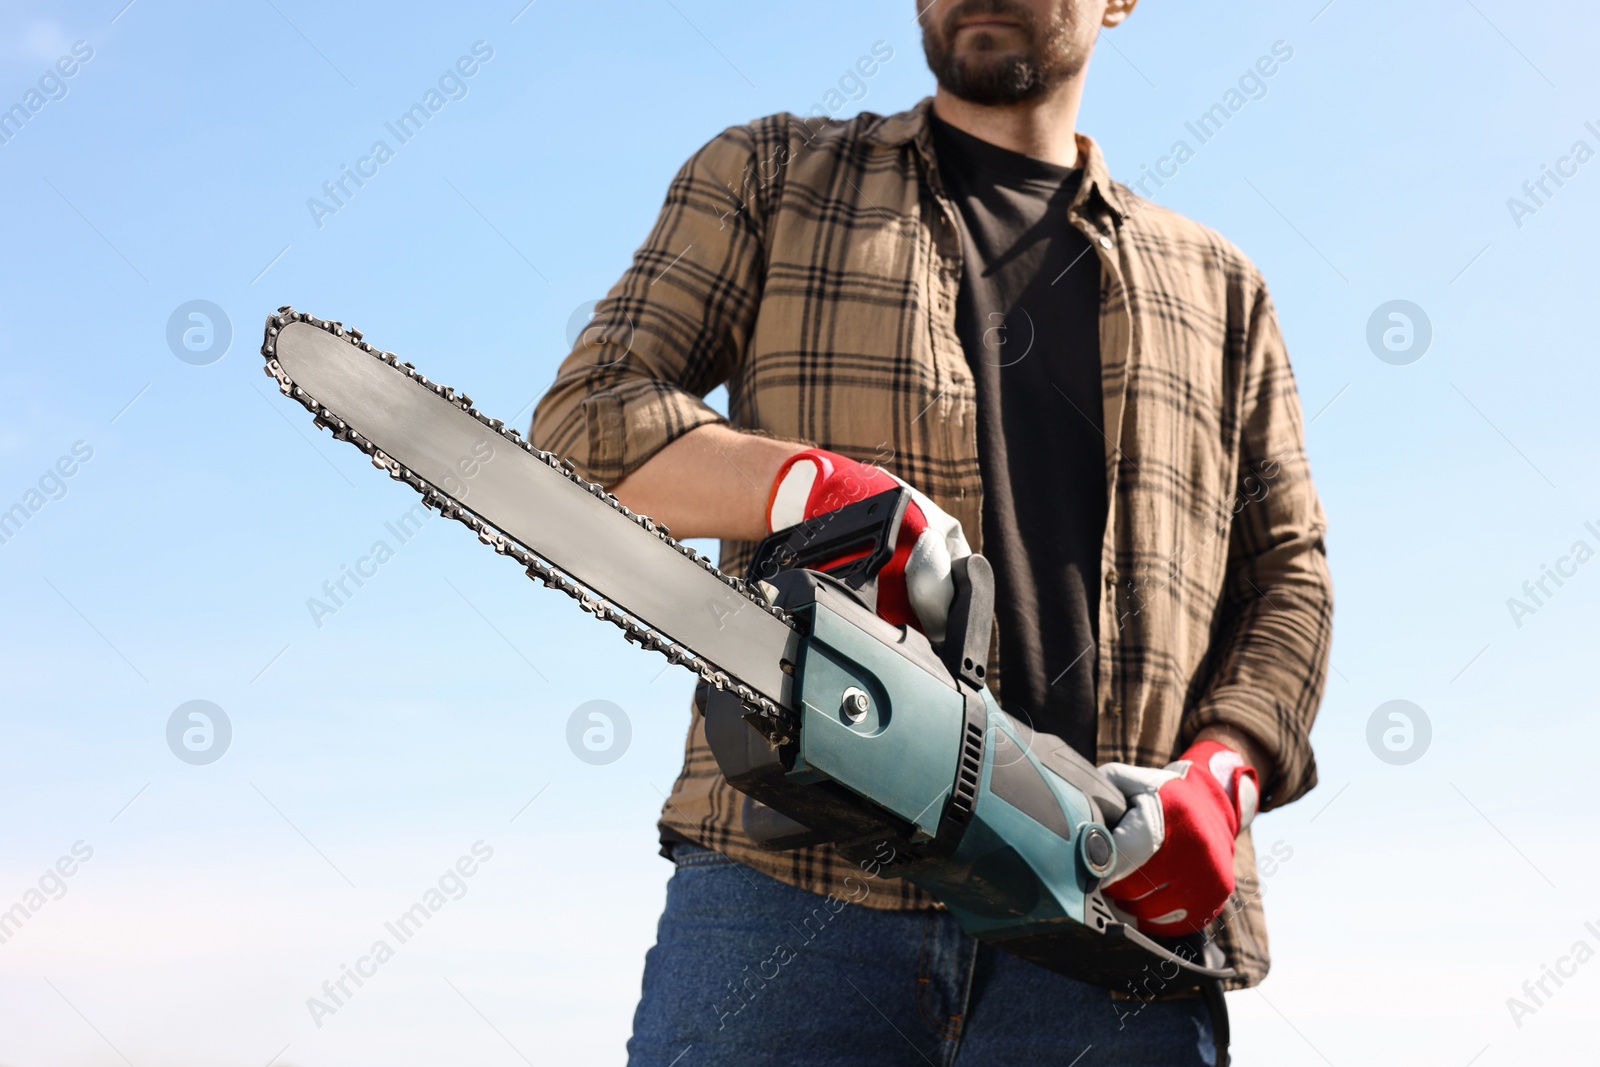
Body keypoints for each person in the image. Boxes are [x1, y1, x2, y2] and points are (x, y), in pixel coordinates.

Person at [532, 0, 1332, 1061]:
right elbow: (590, 420)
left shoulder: (1220, 287)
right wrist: (813, 487)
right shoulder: (769, 174)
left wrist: (1226, 765)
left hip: (1107, 927)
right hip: (792, 896)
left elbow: (1289, 574)